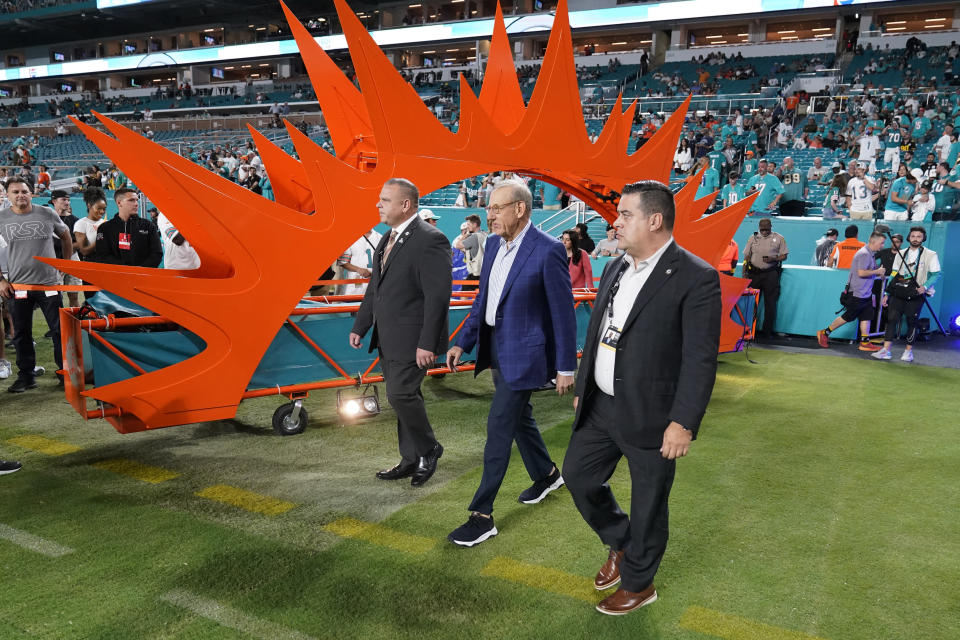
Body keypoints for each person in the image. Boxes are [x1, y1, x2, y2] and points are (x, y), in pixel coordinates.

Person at [563, 180, 721, 616]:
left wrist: (684, 421)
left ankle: (639, 583)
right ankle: (619, 541)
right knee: (578, 476)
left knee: (648, 502)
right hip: (601, 405)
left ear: (654, 220)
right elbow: (598, 334)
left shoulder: (697, 276)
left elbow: (699, 359)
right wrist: (584, 388)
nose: (616, 222)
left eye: (626, 214)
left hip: (655, 415)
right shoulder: (617, 266)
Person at [445, 180, 576, 547]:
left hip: (527, 356)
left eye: (497, 208)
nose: (489, 215)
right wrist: (463, 342)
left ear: (520, 209)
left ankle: (482, 516)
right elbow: (483, 302)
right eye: (488, 209)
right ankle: (548, 474)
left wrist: (566, 366)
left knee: (499, 426)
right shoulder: (494, 248)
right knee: (520, 420)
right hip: (497, 352)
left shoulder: (548, 250)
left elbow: (563, 313)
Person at [349, 178, 451, 487]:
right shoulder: (387, 238)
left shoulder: (432, 239)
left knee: (400, 395)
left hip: (414, 341)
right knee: (405, 397)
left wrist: (428, 343)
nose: (378, 205)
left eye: (384, 200)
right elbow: (375, 288)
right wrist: (361, 325)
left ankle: (429, 449)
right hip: (388, 337)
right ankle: (410, 459)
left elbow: (438, 297)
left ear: (405, 205)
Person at [0, 177, 73, 393]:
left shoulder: (47, 213)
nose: (20, 195)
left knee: (59, 331)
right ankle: (26, 377)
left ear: (32, 193)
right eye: (15, 192)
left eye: (24, 191)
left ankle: (65, 374)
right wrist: (1, 280)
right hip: (18, 286)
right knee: (21, 333)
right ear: (8, 195)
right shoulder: (1, 218)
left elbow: (66, 236)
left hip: (49, 284)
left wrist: (65, 266)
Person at [872, 227, 941, 362]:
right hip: (899, 291)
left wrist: (925, 286)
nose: (915, 239)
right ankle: (886, 350)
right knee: (891, 320)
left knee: (911, 322)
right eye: (913, 236)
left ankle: (908, 352)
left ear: (923, 238)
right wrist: (887, 293)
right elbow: (893, 274)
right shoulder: (901, 253)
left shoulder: (931, 254)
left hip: (916, 293)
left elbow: (936, 274)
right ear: (909, 238)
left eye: (919, 236)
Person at [817, 231, 886, 352]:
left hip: (866, 293)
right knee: (848, 317)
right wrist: (877, 272)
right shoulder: (864, 254)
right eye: (881, 243)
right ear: (874, 242)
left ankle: (864, 342)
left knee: (867, 316)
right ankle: (824, 332)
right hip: (858, 293)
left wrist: (878, 271)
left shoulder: (871, 254)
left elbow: (869, 270)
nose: (883, 246)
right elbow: (861, 273)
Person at [90, 189, 162, 267]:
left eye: (137, 200)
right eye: (131, 200)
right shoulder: (105, 228)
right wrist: (126, 271)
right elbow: (102, 255)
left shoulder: (148, 226)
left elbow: (157, 254)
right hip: (116, 276)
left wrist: (139, 271)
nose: (136, 204)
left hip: (144, 276)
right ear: (119, 203)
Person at [742, 218, 788, 339]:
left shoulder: (779, 238)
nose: (764, 232)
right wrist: (744, 273)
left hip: (770, 274)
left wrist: (774, 259)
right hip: (754, 274)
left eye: (766, 229)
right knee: (751, 303)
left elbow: (784, 256)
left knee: (770, 304)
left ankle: (767, 332)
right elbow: (747, 255)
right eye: (762, 229)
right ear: (758, 227)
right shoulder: (753, 238)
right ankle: (748, 331)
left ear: (771, 227)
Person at [49, 189, 81, 308]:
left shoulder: (75, 220)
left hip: (72, 259)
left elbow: (80, 243)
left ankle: (75, 324)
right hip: (53, 260)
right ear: (54, 201)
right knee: (55, 297)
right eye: (63, 199)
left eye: (68, 200)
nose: (67, 202)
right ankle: (58, 326)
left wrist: (68, 248)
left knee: (74, 295)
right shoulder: (48, 219)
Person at [339, 228, 382, 296]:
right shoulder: (350, 238)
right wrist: (358, 269)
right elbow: (343, 262)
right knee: (353, 303)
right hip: (356, 283)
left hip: (374, 282)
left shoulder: (379, 237)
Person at [453, 214, 486, 290]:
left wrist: (465, 235)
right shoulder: (484, 234)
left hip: (476, 273)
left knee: (464, 291)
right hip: (483, 271)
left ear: (475, 224)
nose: (467, 226)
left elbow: (457, 245)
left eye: (468, 224)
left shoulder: (473, 237)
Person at [73, 187, 108, 260]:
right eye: (99, 208)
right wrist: (100, 239)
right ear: (89, 206)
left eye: (104, 209)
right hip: (92, 264)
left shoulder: (106, 222)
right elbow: (84, 251)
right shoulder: (81, 224)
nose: (102, 211)